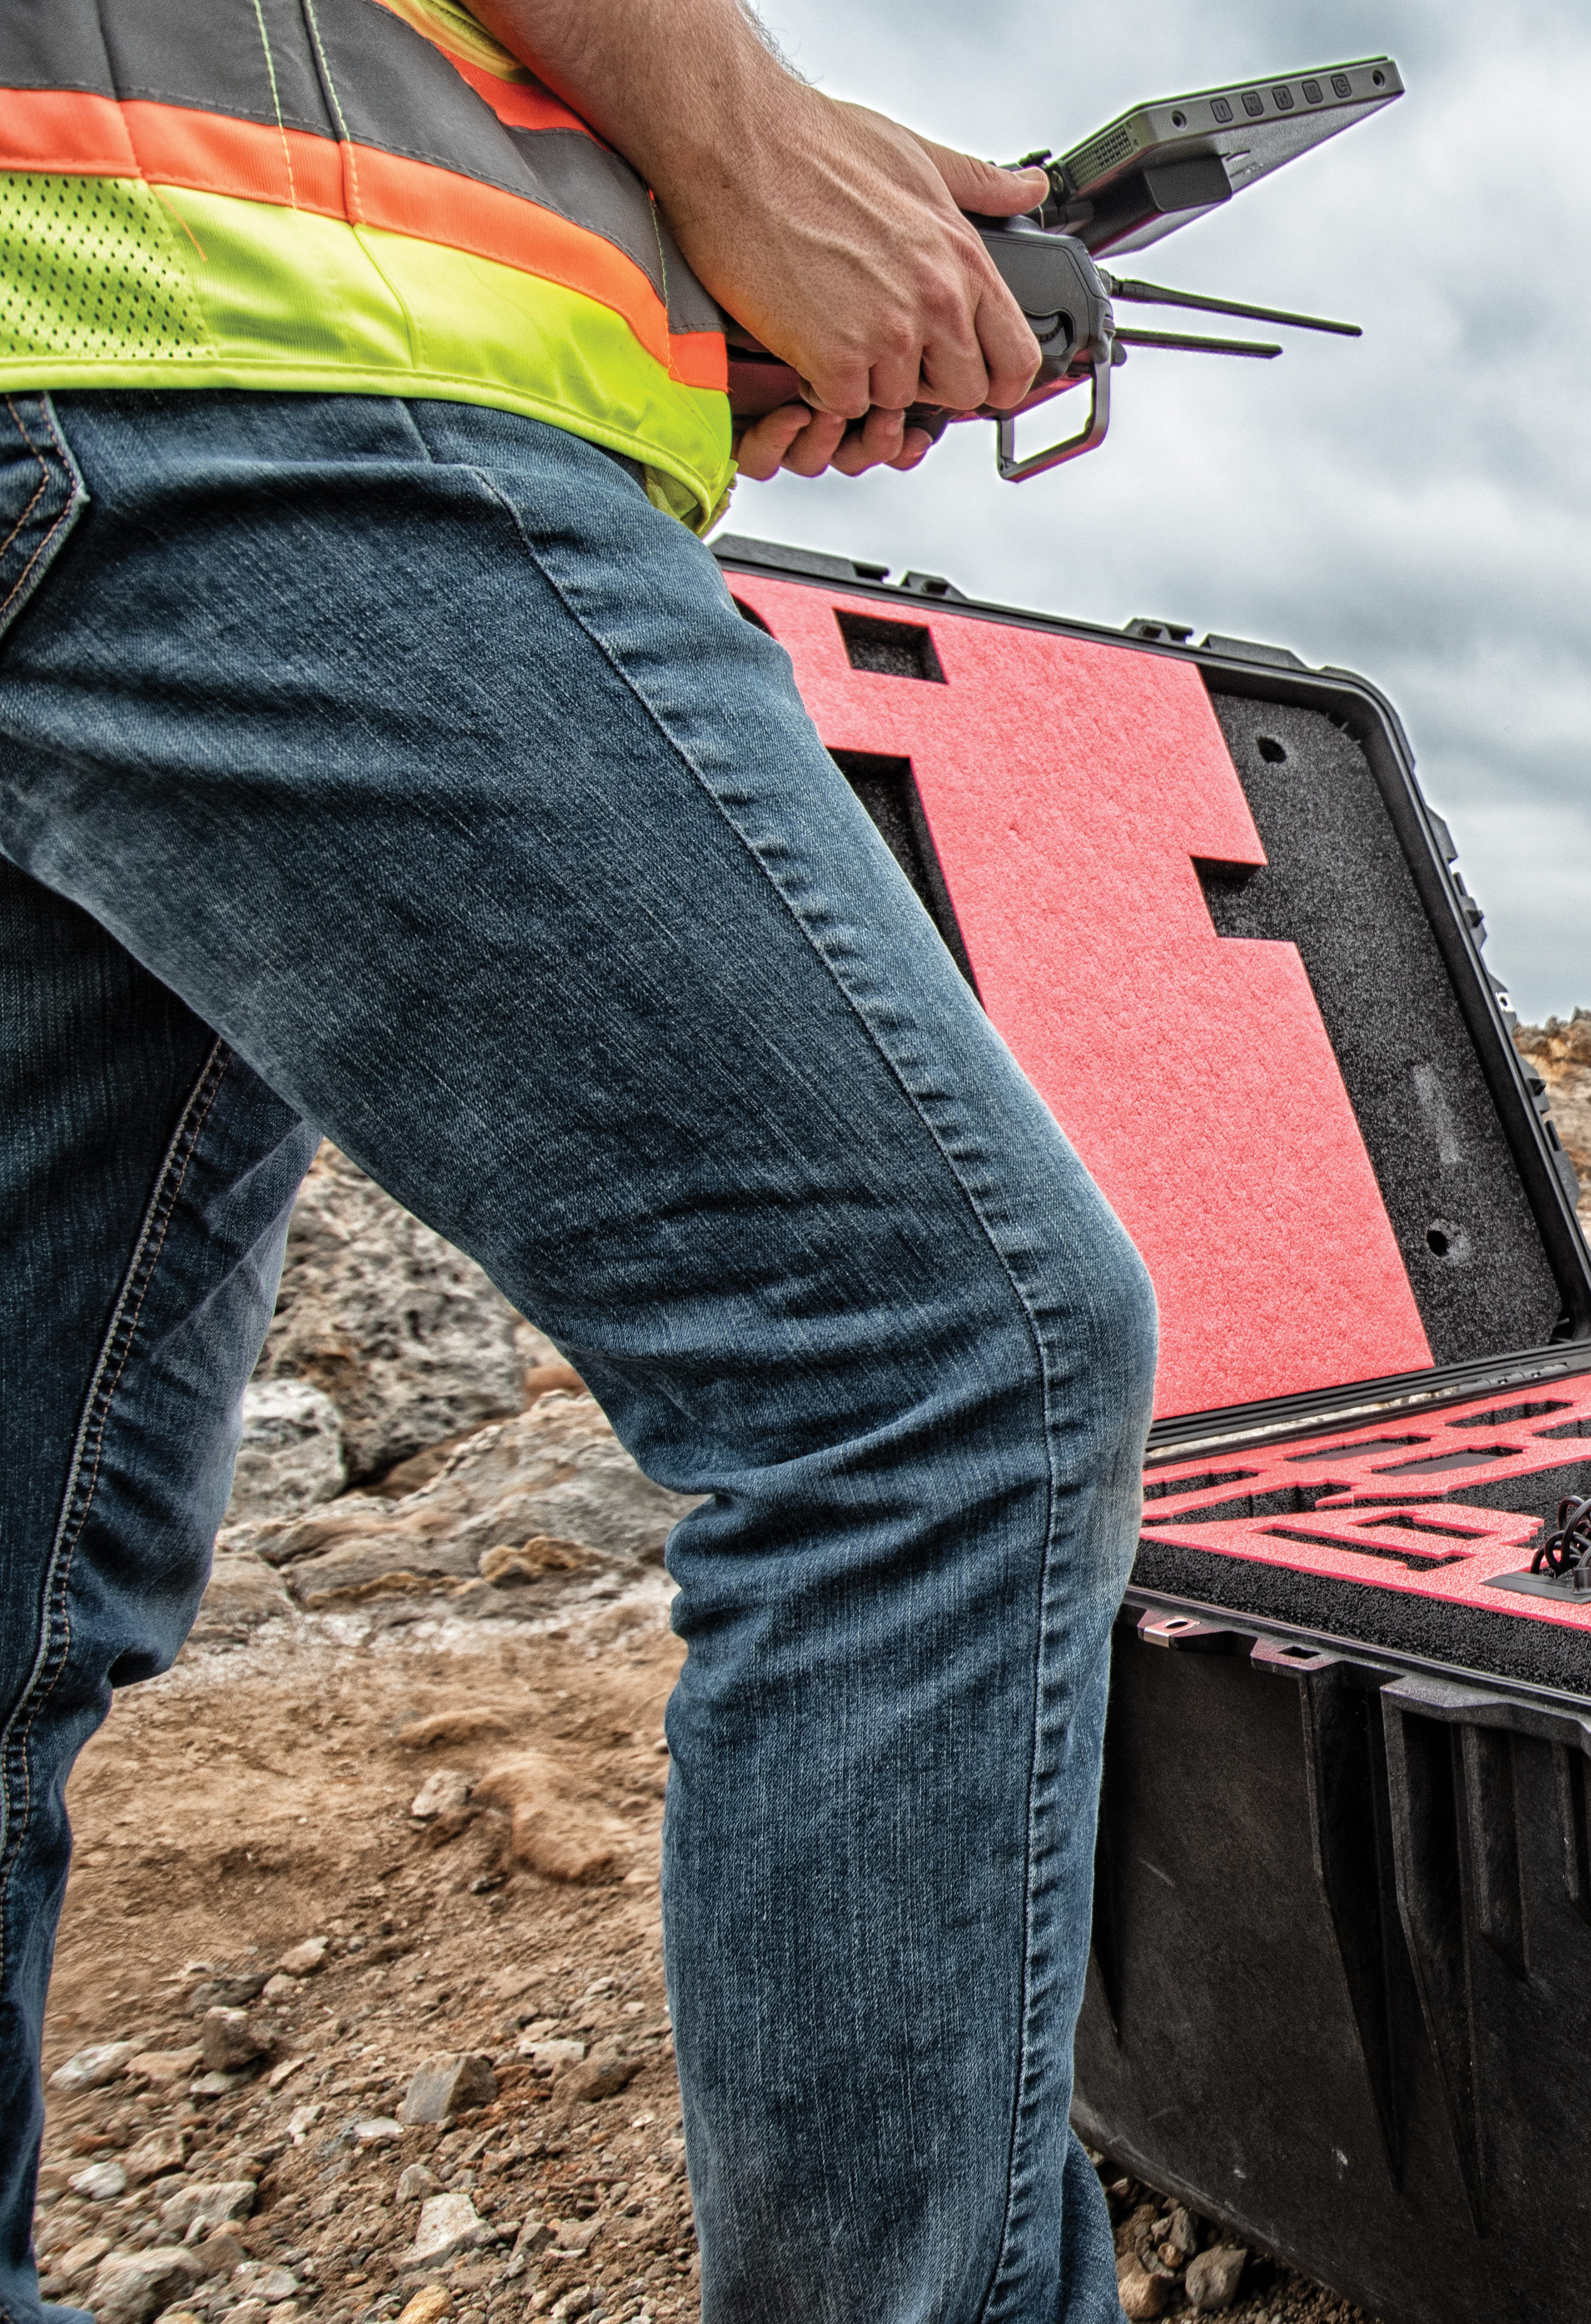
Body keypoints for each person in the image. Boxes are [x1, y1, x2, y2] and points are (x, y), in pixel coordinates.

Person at [0, 6, 1162, 2319]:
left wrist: (724, 214)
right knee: (949, 1365)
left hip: (109, 382)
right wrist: (731, 135)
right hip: (266, 381)